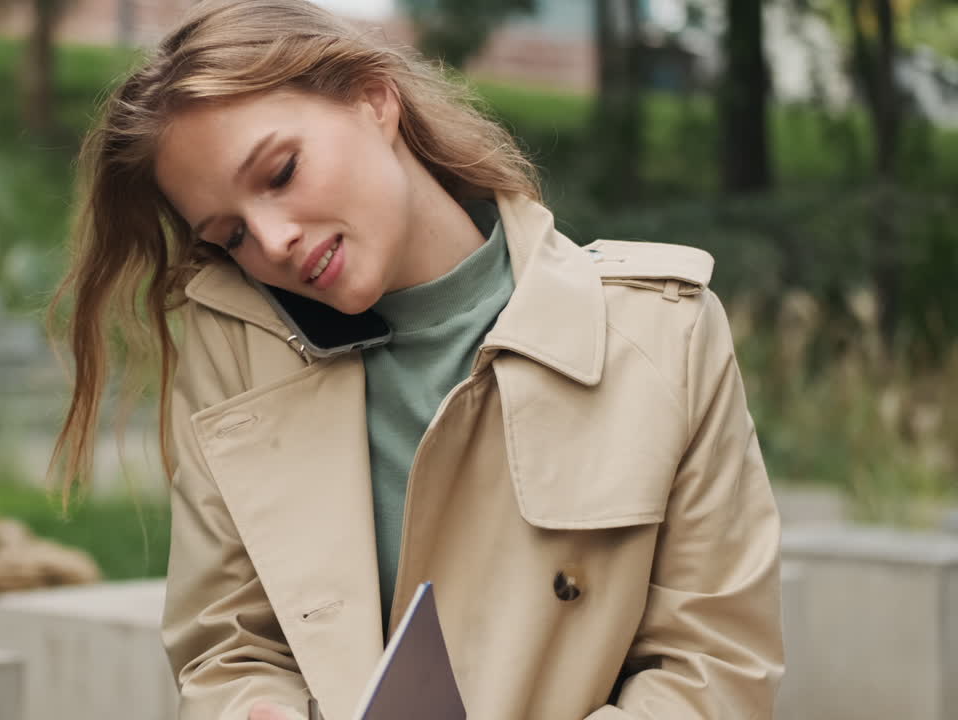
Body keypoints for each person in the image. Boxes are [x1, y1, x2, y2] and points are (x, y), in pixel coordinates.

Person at [44, 1, 785, 718]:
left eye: (280, 174)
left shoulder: (659, 333)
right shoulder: (235, 349)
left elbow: (713, 665)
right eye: (230, 235)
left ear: (374, 100)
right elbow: (227, 648)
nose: (271, 242)